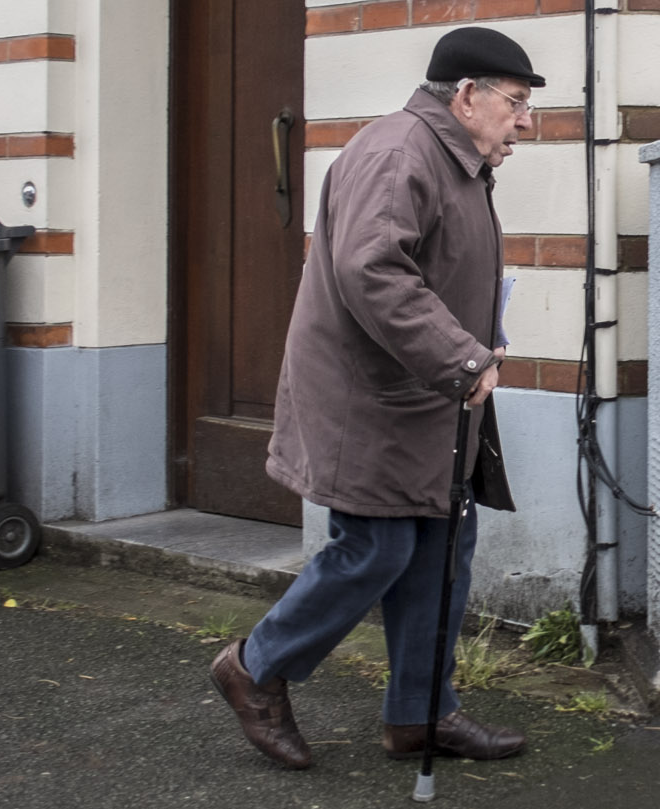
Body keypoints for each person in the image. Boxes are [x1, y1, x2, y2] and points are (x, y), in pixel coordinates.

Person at [208, 26, 540, 771]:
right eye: (516, 104)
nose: (526, 123)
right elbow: (374, 274)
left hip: (428, 400)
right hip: (375, 402)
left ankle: (422, 715)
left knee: (441, 549)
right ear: (466, 96)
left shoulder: (452, 158)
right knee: (376, 547)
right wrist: (461, 355)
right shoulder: (399, 153)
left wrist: (475, 347)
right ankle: (255, 668)